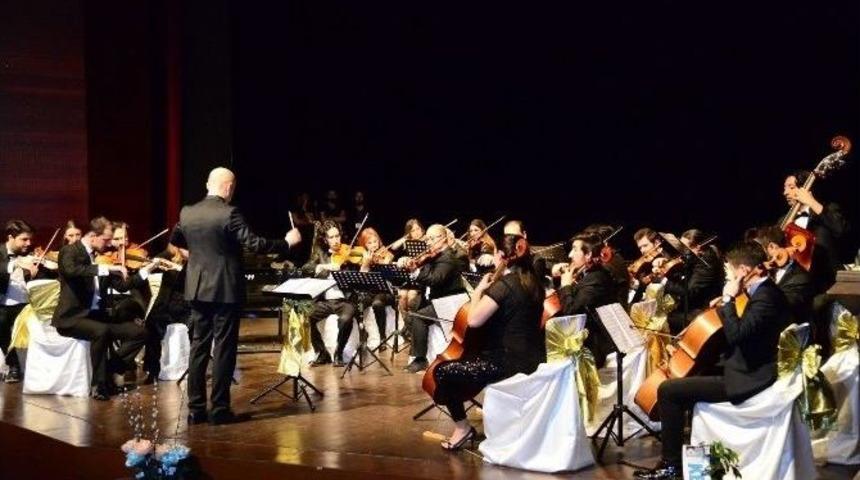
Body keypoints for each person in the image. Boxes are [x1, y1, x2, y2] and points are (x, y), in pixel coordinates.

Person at [634, 242, 791, 479]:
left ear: (742, 271)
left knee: (668, 390)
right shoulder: (760, 291)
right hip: (745, 365)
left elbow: (738, 335)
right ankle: (694, 460)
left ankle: (672, 465)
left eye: (729, 270)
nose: (726, 275)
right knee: (693, 375)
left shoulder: (766, 297)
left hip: (749, 377)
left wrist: (728, 300)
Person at [171, 167, 301, 424]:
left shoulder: (187, 212)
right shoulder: (229, 213)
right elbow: (255, 244)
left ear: (208, 184)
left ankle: (196, 411)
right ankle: (219, 410)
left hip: (196, 288)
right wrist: (287, 242)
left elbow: (177, 239)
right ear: (229, 188)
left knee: (198, 347)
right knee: (223, 349)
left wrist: (201, 256)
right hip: (224, 290)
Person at [431, 234, 546, 450]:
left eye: (495, 253)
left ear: (502, 256)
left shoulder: (504, 286)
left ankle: (462, 429)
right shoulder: (535, 284)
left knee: (442, 372)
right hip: (534, 358)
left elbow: (474, 321)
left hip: (507, 363)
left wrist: (477, 294)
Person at [52, 216, 157, 400]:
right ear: (93, 236)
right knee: (100, 331)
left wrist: (145, 271)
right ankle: (98, 385)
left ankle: (109, 369)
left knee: (139, 332)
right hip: (72, 317)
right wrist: (105, 269)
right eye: (107, 239)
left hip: (96, 315)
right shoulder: (70, 251)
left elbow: (123, 286)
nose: (110, 244)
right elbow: (71, 271)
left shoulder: (102, 259)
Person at [400, 224, 468, 373]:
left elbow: (435, 280)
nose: (428, 242)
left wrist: (416, 271)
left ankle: (420, 360)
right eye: (427, 239)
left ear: (443, 238)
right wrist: (410, 263)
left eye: (431, 238)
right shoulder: (435, 256)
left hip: (450, 302)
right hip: (438, 300)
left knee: (419, 317)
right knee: (413, 311)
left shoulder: (448, 257)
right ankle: (415, 354)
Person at [781, 170, 847, 293]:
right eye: (785, 188)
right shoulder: (784, 222)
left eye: (791, 187)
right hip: (799, 288)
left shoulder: (827, 209)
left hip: (830, 285)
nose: (785, 192)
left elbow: (840, 229)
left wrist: (811, 202)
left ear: (805, 188)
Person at [302, 220, 357, 366]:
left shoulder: (348, 253)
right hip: (325, 301)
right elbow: (306, 268)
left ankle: (339, 353)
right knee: (305, 316)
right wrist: (322, 266)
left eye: (337, 236)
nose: (335, 240)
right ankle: (322, 352)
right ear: (325, 240)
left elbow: (358, 277)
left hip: (345, 300)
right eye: (331, 237)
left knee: (346, 319)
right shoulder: (320, 254)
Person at [558, 232, 615, 367]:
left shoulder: (596, 280)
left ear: (588, 255)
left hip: (592, 351)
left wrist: (566, 286)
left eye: (575, 249)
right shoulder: (591, 274)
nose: (570, 255)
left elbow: (571, 313)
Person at [654, 229, 723, 334]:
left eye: (684, 248)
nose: (681, 252)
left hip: (700, 312)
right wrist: (666, 263)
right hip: (689, 306)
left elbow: (689, 291)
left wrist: (663, 280)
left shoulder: (706, 263)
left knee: (660, 319)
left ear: (697, 248)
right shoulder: (696, 258)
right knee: (655, 310)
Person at [0, 220, 38, 383]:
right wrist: (15, 263)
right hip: (2, 302)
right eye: (24, 239)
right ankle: (13, 365)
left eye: (30, 239)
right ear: (11, 237)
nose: (28, 243)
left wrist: (36, 271)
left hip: (24, 302)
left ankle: (38, 369)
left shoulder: (28, 255)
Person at [357, 227, 395, 348]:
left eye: (375, 241)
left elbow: (390, 278)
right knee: (357, 303)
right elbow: (361, 281)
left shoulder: (387, 255)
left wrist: (385, 264)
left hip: (385, 292)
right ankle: (363, 336)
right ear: (364, 245)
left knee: (377, 303)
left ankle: (382, 337)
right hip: (370, 292)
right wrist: (365, 265)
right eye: (369, 243)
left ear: (379, 241)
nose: (373, 245)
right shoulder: (364, 258)